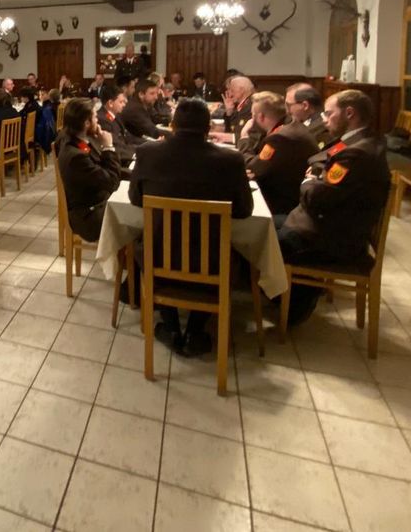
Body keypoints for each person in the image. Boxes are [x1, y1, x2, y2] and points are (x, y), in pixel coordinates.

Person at [129, 98, 253, 356]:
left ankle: (171, 326)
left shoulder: (147, 153)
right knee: (229, 255)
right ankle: (196, 329)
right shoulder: (230, 161)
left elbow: (135, 199)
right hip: (211, 262)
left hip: (159, 257)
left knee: (144, 246)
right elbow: (244, 211)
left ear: (172, 125)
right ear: (208, 128)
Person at [278, 90, 391, 324]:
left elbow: (319, 197)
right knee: (263, 223)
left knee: (262, 237)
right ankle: (279, 294)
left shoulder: (358, 152)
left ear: (349, 113)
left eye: (329, 114)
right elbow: (317, 160)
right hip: (330, 222)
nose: (325, 119)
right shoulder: (359, 140)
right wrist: (317, 175)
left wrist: (309, 180)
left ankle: (292, 307)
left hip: (332, 237)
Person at [239, 92, 318, 219]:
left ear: (261, 117)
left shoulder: (280, 137)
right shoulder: (288, 124)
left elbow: (252, 167)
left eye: (253, 116)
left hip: (284, 205)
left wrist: (243, 138)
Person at [55, 98, 121, 242]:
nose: (98, 121)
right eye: (95, 117)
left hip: (96, 200)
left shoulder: (80, 139)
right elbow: (112, 182)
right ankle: (128, 260)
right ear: (86, 123)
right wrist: (108, 147)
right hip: (87, 217)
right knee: (137, 215)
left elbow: (104, 170)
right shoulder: (76, 156)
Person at [97, 84, 141, 168]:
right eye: (121, 102)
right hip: (119, 162)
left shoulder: (115, 115)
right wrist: (137, 153)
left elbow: (128, 137)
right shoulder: (102, 119)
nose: (124, 105)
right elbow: (116, 146)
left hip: (126, 154)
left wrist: (147, 144)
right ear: (110, 103)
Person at [220, 76, 257, 145]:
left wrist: (230, 137)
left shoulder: (253, 105)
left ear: (241, 90)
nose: (229, 94)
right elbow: (230, 130)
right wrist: (229, 112)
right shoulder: (239, 105)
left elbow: (251, 136)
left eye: (232, 90)